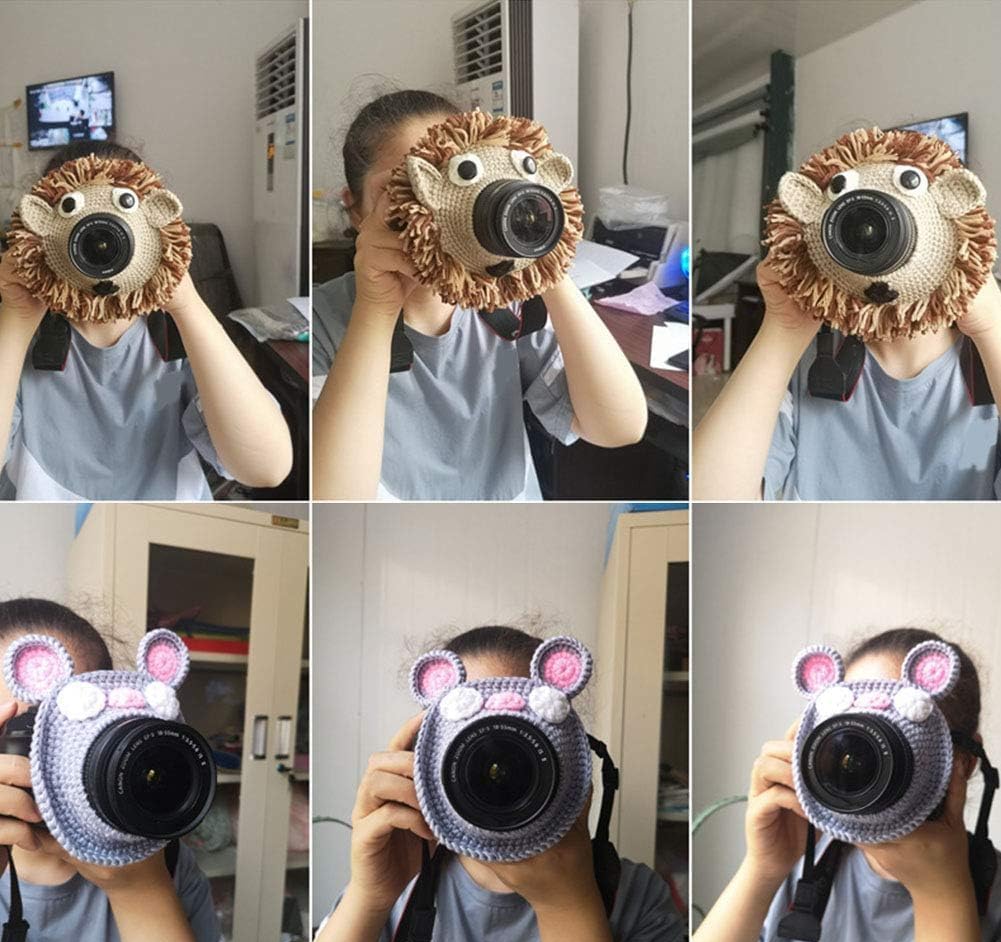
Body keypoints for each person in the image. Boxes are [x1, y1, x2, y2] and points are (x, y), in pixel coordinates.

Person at [312, 625, 688, 942]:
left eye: (521, 737)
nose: (497, 765)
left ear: (572, 761)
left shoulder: (634, 898)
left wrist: (568, 905)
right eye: (470, 735)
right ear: (424, 758)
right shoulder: (396, 880)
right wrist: (369, 896)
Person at [312, 90, 649, 501]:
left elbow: (619, 427)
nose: (433, 211)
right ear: (355, 210)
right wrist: (377, 308)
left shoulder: (505, 302)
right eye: (404, 190)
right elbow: (337, 499)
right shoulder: (323, 318)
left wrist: (542, 256)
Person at [692, 628, 1001, 942]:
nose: (860, 754)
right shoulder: (798, 868)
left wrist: (943, 896)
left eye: (897, 728)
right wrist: (761, 869)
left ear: (963, 761)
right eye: (849, 731)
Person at [0, 140, 292, 500]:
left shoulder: (179, 340)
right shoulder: (18, 339)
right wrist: (16, 316)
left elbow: (267, 468)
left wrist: (185, 303)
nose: (101, 243)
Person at [0, 597, 248, 942]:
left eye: (73, 726)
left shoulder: (162, 862)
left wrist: (140, 890)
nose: (52, 757)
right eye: (31, 731)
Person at [692, 258, 1001, 500]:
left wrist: (992, 328)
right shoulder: (801, 359)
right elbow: (711, 505)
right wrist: (784, 327)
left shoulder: (989, 363)